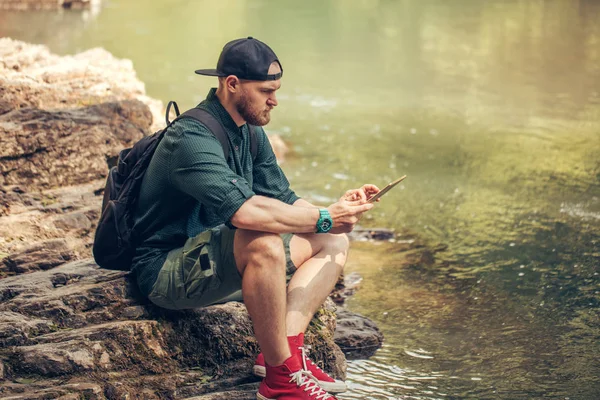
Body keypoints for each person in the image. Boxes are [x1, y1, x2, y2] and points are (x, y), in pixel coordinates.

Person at [130, 37, 379, 400]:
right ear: (231, 84)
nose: (274, 100)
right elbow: (246, 212)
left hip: (217, 262)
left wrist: (336, 212)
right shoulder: (191, 137)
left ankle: (284, 356)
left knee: (332, 240)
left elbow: (285, 201)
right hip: (166, 273)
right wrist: (325, 217)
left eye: (276, 90)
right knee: (261, 237)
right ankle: (279, 383)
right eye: (266, 91)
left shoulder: (251, 132)